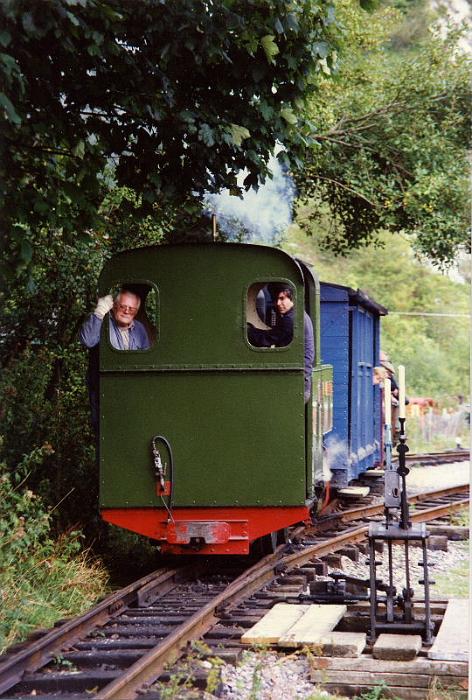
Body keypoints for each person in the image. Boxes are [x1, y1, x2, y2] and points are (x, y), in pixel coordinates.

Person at [80, 289, 151, 434]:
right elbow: (87, 341)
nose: (126, 311)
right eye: (122, 306)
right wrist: (99, 312)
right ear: (114, 306)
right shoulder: (103, 323)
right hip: (106, 392)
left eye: (131, 309)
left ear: (136, 311)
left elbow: (147, 360)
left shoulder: (140, 329)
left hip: (132, 393)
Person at [247, 287, 314, 402]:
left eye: (282, 299)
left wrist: (247, 332)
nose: (278, 303)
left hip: (297, 385)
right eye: (277, 299)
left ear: (292, 299)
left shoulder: (290, 320)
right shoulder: (301, 315)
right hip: (303, 383)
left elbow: (267, 339)